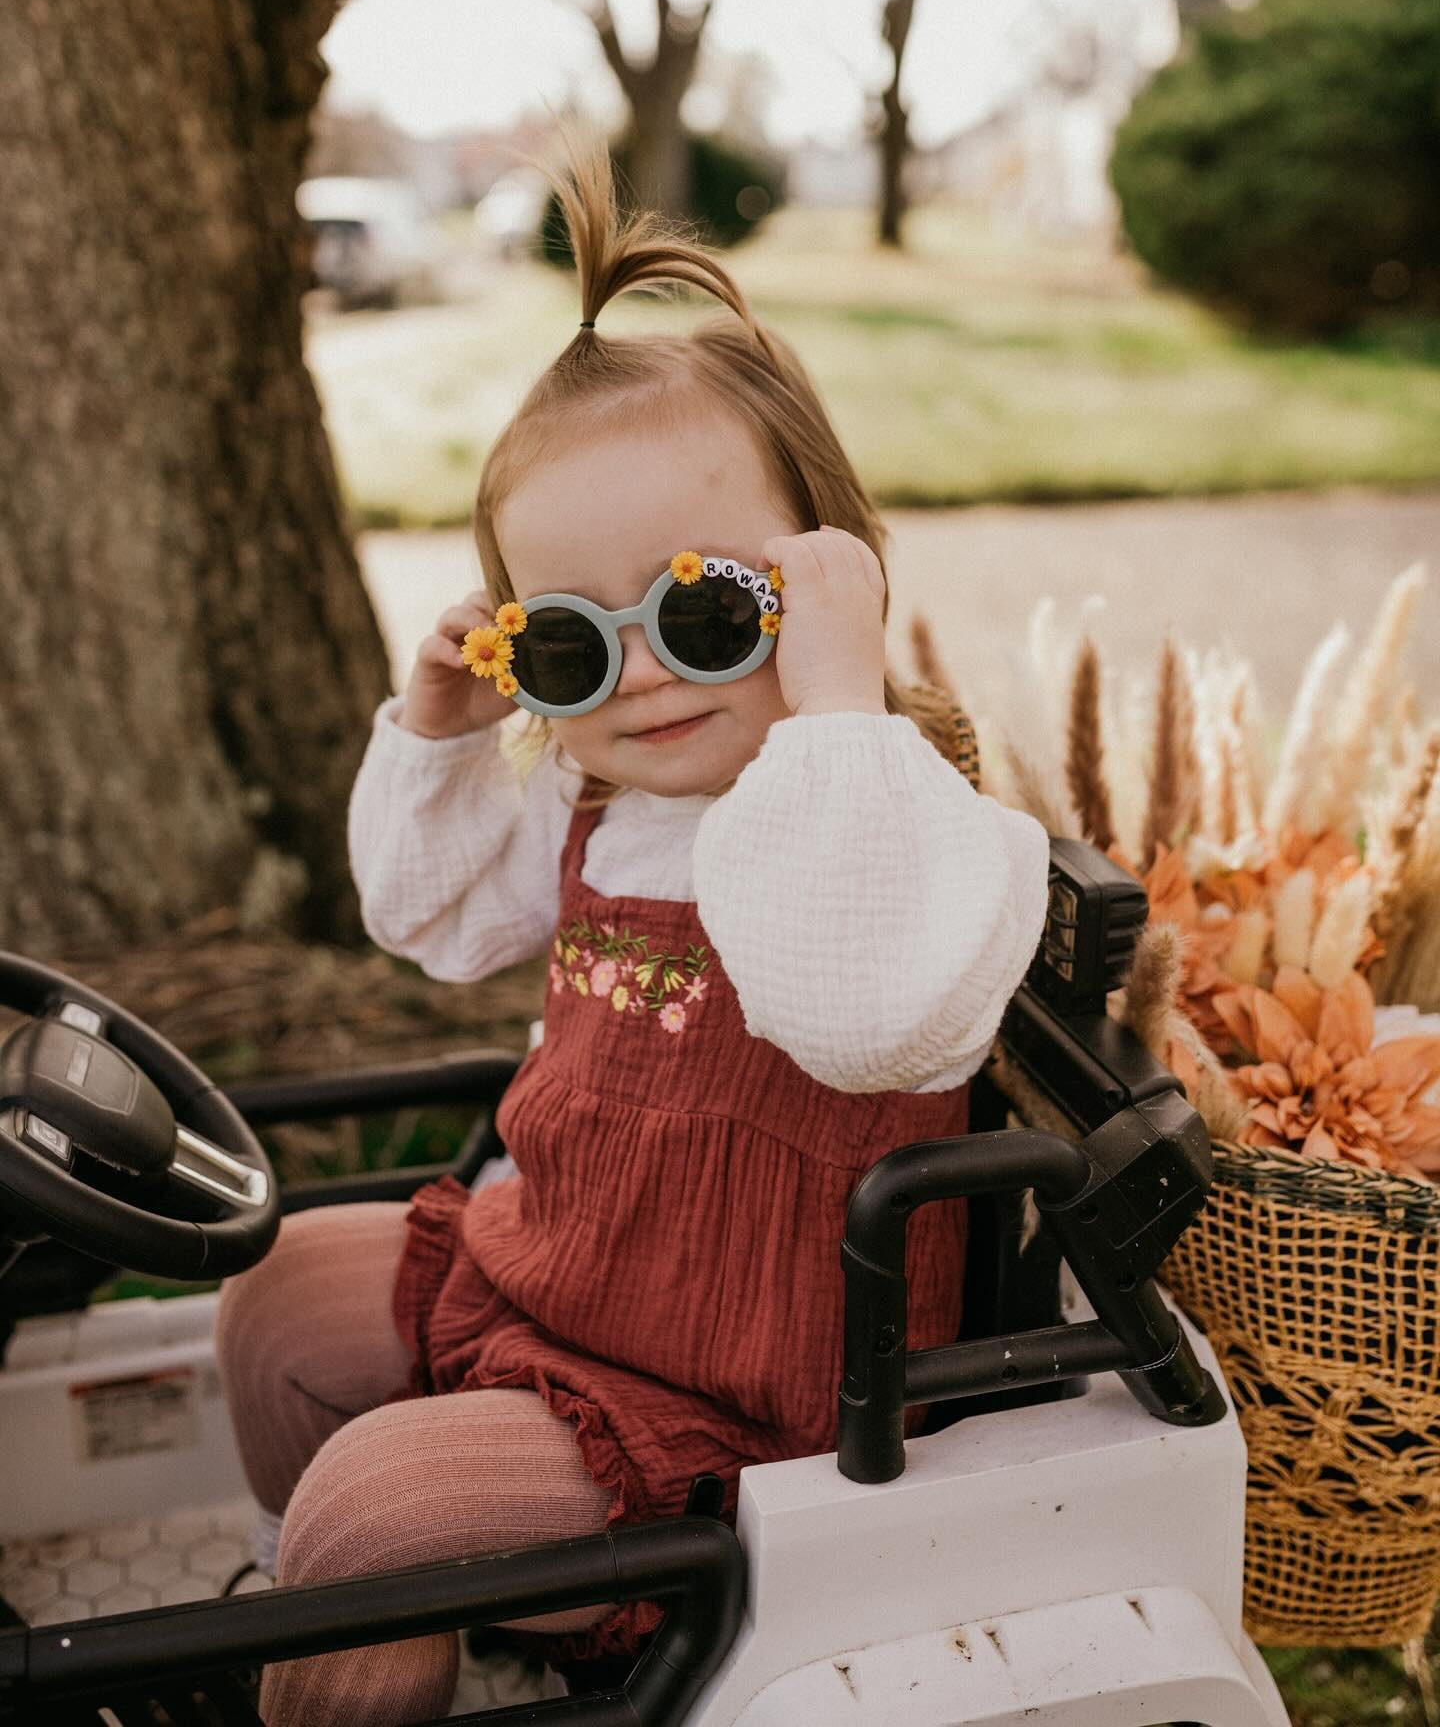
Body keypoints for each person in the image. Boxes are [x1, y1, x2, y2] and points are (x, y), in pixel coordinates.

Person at [215, 133, 1049, 1725]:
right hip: (566, 1288)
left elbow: (866, 1015)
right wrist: (443, 722)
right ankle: (321, 1656)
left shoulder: (897, 820)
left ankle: (366, 1642)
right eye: (573, 650)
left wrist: (830, 701)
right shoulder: (593, 807)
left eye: (705, 611)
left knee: (377, 1516)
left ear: (823, 576)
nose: (648, 679)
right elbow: (426, 919)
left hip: (735, 1397)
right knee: (275, 1307)